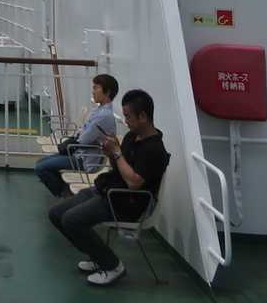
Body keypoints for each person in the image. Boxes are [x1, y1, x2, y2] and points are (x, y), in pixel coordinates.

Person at [47, 89, 170, 288]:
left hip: (126, 202)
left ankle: (112, 266)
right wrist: (111, 154)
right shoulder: (132, 137)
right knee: (56, 213)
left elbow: (134, 183)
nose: (125, 121)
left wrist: (117, 154)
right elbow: (119, 168)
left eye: (128, 116)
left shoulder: (154, 150)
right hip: (108, 191)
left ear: (143, 116)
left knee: (71, 220)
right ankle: (98, 256)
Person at [35, 74, 119, 197]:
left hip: (84, 160)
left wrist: (74, 139)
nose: (93, 91)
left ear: (107, 92)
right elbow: (82, 133)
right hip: (78, 154)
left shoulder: (104, 116)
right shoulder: (99, 111)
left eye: (96, 88)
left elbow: (83, 139)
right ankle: (66, 193)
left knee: (41, 167)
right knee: (41, 163)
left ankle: (65, 195)